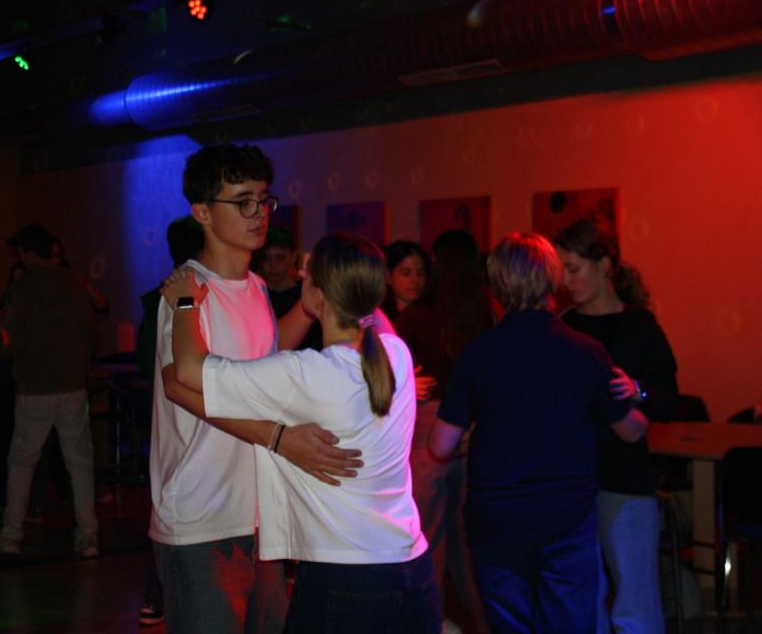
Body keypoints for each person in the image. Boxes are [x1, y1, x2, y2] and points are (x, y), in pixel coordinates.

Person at [162, 233, 441, 634]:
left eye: (307, 277)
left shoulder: (306, 375)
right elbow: (370, 314)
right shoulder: (396, 354)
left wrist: (185, 302)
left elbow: (187, 371)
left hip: (346, 580)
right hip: (413, 568)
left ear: (319, 296)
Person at [149, 144, 363, 634]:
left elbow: (264, 358)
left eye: (264, 200)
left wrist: (308, 305)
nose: (259, 213)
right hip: (202, 515)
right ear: (203, 212)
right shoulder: (186, 292)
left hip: (260, 514)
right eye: (243, 201)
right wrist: (279, 438)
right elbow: (180, 386)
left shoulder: (257, 287)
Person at [430, 232, 649, 634]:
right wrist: (640, 398)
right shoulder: (586, 351)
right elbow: (631, 432)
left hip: (497, 517)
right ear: (552, 278)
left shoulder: (479, 353)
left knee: (511, 623)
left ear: (496, 285)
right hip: (566, 517)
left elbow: (440, 445)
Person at [554, 219, 678, 634]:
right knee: (582, 600)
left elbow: (668, 396)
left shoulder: (639, 325)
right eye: (561, 270)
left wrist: (637, 390)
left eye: (573, 269)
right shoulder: (564, 325)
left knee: (634, 602)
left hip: (624, 479)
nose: (566, 280)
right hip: (573, 480)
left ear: (604, 266)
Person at [393, 231, 491, 633]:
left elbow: (384, 377)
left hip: (430, 423)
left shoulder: (415, 318)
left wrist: (405, 384)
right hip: (471, 424)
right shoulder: (483, 315)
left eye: (424, 268)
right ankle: (480, 620)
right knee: (466, 536)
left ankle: (428, 620)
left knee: (426, 533)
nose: (419, 277)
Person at [0, 223, 98, 558]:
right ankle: (88, 537)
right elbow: (91, 332)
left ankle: (11, 536)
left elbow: (8, 344)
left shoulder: (22, 288)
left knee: (22, 462)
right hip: (73, 386)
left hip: (34, 387)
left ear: (26, 252)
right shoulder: (73, 284)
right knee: (79, 463)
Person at [136, 215, 203, 627]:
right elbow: (173, 378)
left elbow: (149, 363)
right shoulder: (177, 296)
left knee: (168, 497)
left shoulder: (170, 294)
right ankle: (156, 593)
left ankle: (155, 594)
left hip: (174, 428)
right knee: (172, 502)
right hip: (181, 425)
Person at [260, 227, 322, 350]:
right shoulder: (257, 295)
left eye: (280, 258)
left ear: (293, 257)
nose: (273, 265)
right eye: (266, 258)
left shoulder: (305, 293)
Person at [382, 240, 428, 321]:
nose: (415, 280)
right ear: (388, 277)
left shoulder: (430, 316)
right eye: (406, 274)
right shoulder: (380, 318)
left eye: (420, 273)